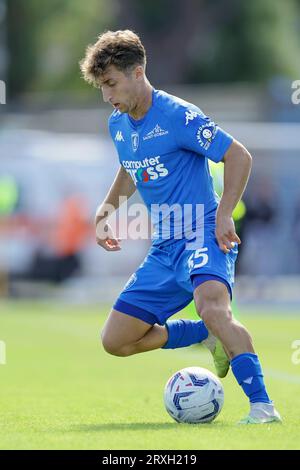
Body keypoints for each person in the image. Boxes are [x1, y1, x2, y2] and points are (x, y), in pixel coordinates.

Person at [80, 30, 281, 424]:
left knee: (213, 308)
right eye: (101, 87)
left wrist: (224, 214)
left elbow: (238, 155)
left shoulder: (178, 115)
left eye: (110, 84)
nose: (107, 96)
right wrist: (106, 209)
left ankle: (262, 406)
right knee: (116, 341)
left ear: (137, 72)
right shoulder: (119, 124)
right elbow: (131, 169)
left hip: (203, 233)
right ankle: (203, 335)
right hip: (164, 246)